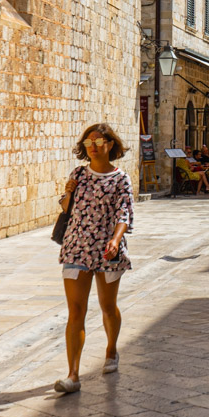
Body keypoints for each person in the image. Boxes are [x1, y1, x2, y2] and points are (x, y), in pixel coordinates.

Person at [55, 123, 134, 394]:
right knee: (76, 311)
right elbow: (67, 208)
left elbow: (124, 212)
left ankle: (111, 349)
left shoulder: (121, 178)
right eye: (88, 142)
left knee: (107, 306)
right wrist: (68, 193)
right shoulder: (78, 173)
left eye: (98, 142)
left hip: (107, 249)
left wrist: (115, 239)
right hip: (76, 246)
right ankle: (73, 375)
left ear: (110, 145)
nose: (93, 147)